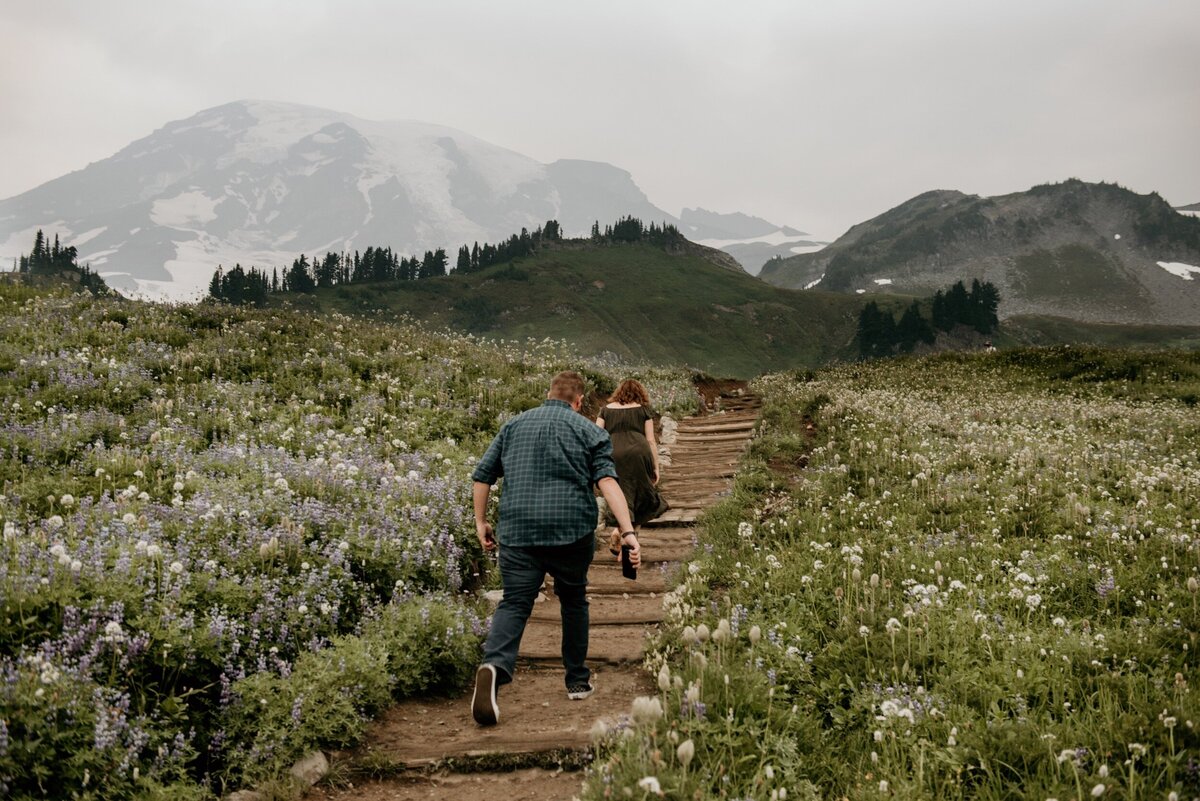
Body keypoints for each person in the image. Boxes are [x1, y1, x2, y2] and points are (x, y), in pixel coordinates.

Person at [470, 370, 640, 727]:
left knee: (515, 603)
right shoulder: (591, 431)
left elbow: (482, 475)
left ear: (548, 394)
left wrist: (481, 521)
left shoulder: (514, 426)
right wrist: (627, 531)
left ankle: (494, 665)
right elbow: (606, 481)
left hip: (518, 530)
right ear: (579, 402)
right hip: (570, 532)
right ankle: (577, 681)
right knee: (574, 600)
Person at [596, 378, 669, 554]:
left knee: (620, 492)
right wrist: (655, 467)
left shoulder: (605, 410)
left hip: (613, 454)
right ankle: (629, 540)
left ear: (619, 392)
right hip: (639, 453)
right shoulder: (644, 410)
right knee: (640, 494)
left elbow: (596, 434)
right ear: (640, 393)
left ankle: (618, 531)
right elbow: (651, 440)